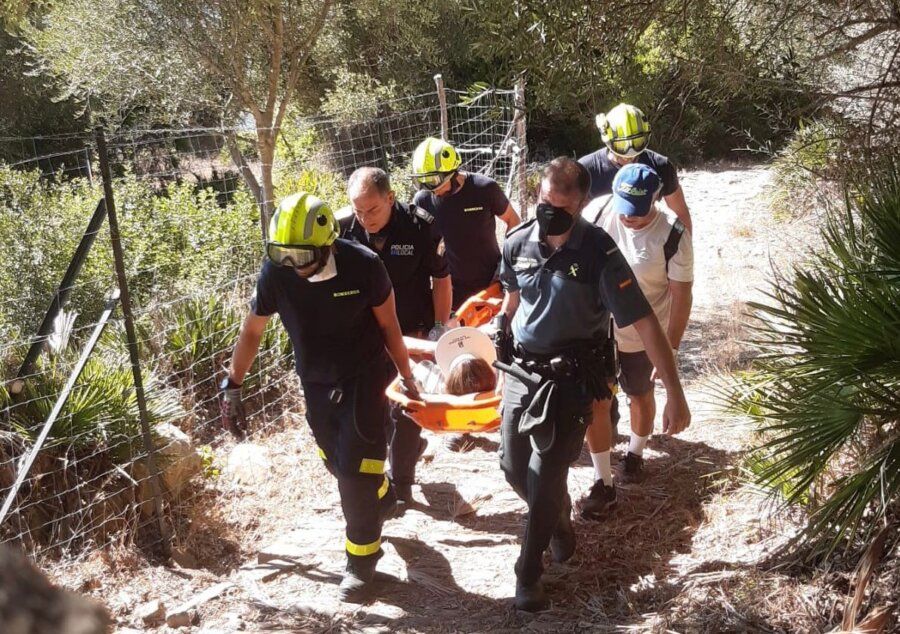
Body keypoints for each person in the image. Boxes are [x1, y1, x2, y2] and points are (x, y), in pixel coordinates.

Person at [494, 157, 691, 612]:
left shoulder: (599, 253)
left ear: (582, 204)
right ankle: (558, 519)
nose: (551, 213)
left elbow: (645, 324)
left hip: (572, 378)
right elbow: (512, 296)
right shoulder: (518, 241)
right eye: (545, 202)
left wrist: (674, 391)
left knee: (547, 472)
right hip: (522, 373)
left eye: (562, 207)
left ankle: (529, 571)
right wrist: (500, 327)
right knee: (512, 467)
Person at [219, 191, 419, 603]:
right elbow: (252, 330)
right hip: (316, 383)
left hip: (365, 379)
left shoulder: (364, 266)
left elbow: (390, 328)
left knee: (352, 475)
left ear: (328, 242)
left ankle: (362, 563)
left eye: (301, 256)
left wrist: (407, 375)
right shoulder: (276, 273)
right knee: (336, 460)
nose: (293, 266)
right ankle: (379, 492)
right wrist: (233, 385)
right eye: (283, 255)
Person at [580, 164, 693, 507]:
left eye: (638, 215)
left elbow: (681, 295)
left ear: (656, 200)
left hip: (643, 334)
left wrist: (670, 348)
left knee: (639, 394)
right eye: (624, 210)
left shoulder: (673, 235)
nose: (628, 219)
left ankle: (635, 453)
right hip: (598, 329)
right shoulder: (598, 211)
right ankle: (602, 478)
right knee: (596, 401)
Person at [338, 167, 452, 506]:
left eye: (372, 209)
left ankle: (401, 484)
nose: (365, 218)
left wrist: (439, 327)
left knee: (408, 407)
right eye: (358, 210)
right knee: (377, 405)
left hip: (410, 333)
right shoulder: (343, 230)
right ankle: (408, 451)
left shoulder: (420, 226)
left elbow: (441, 279)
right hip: (366, 338)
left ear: (390, 198)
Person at [411, 136, 522, 310]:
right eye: (425, 184)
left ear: (453, 172)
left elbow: (514, 221)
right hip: (450, 289)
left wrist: (505, 266)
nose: (434, 191)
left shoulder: (484, 188)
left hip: (491, 283)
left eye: (436, 184)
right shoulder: (423, 200)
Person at [578, 103, 693, 233]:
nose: (629, 154)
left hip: (647, 240)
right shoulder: (586, 170)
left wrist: (684, 247)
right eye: (621, 145)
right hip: (600, 243)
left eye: (637, 143)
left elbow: (680, 213)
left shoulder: (661, 166)